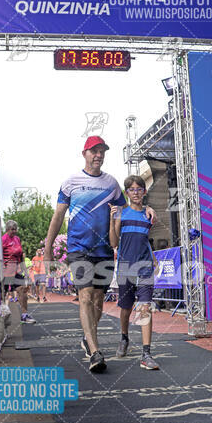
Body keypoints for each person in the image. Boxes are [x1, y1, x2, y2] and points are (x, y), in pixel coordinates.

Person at [44, 136, 156, 373]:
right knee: (84, 295)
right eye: (94, 151)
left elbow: (128, 208)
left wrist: (147, 207)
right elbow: (58, 217)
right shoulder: (70, 183)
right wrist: (47, 249)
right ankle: (95, 351)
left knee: (97, 300)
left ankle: (87, 338)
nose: (98, 155)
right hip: (79, 248)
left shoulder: (113, 184)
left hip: (104, 250)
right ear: (84, 153)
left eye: (102, 151)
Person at [110, 174, 159, 370]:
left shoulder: (148, 214)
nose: (136, 192)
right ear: (127, 192)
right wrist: (112, 220)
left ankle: (146, 353)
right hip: (125, 266)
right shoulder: (120, 213)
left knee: (145, 307)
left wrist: (151, 210)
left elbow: (145, 239)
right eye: (132, 189)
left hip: (145, 267)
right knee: (126, 308)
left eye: (139, 189)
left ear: (144, 192)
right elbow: (114, 242)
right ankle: (124, 338)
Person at [2, 220, 35, 324]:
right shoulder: (3, 239)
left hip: (17, 270)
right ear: (7, 229)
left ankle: (24, 315)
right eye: (12, 229)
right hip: (6, 270)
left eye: (16, 229)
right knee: (3, 294)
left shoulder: (17, 239)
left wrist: (26, 273)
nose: (15, 231)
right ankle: (1, 316)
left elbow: (21, 258)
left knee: (22, 290)